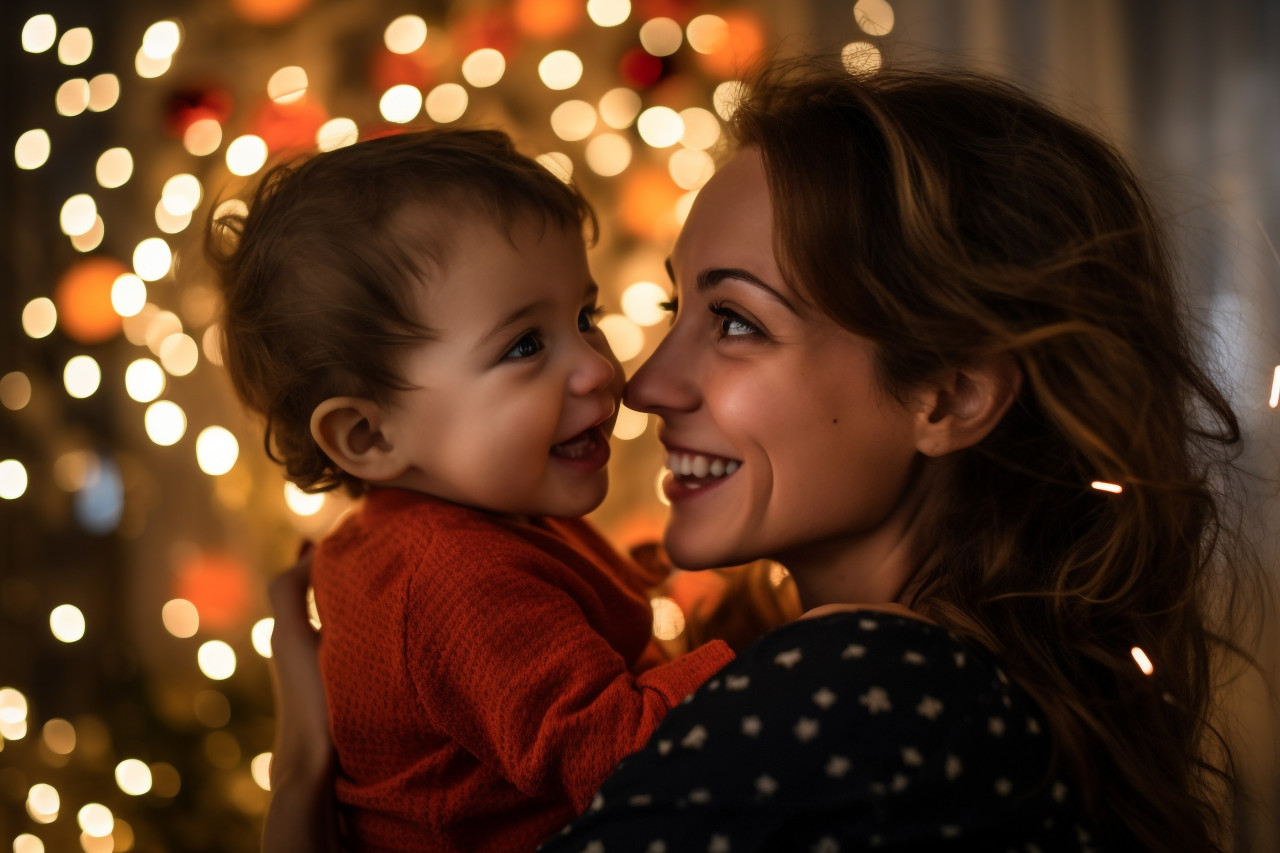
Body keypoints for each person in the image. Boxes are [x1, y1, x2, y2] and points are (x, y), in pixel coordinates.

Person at [265, 59, 1266, 852]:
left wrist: (306, 772)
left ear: (948, 393)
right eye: (673, 307)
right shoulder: (930, 687)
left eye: (735, 321)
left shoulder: (863, 684)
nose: (641, 382)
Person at [207, 129, 737, 853]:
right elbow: (630, 758)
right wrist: (776, 662)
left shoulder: (437, 532)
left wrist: (612, 582)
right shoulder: (452, 576)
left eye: (585, 318)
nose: (597, 368)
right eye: (524, 345)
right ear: (369, 436)